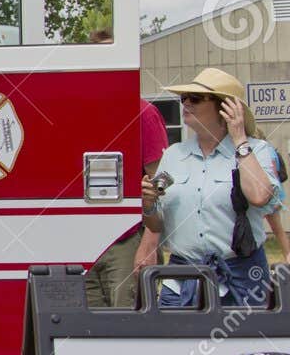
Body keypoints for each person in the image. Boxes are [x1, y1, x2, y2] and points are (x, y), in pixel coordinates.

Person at [141, 67, 283, 308]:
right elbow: (156, 225)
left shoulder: (257, 150)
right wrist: (149, 205)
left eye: (195, 98)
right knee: (172, 334)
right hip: (181, 280)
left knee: (244, 335)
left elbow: (260, 196)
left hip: (241, 280)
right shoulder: (174, 155)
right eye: (183, 98)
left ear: (225, 108)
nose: (186, 103)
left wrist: (239, 139)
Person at [85, 97, 167, 308]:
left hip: (128, 239)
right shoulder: (77, 111)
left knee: (129, 318)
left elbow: (161, 184)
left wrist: (149, 244)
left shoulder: (143, 112)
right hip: (84, 241)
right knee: (85, 323)